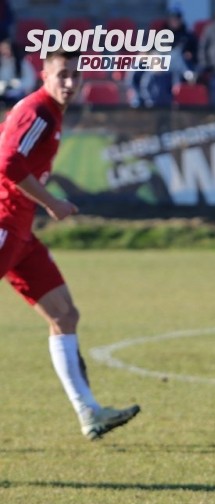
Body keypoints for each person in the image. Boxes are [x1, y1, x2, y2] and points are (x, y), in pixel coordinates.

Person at [0, 49, 140, 440]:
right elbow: (8, 162)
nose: (69, 82)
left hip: (21, 232)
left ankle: (88, 412)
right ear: (43, 75)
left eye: (75, 75)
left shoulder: (49, 113)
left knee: (64, 314)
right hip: (4, 223)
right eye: (61, 74)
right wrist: (52, 202)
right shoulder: (39, 111)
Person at [0, 38, 35, 104]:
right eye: (2, 49)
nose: (5, 51)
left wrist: (16, 85)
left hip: (18, 96)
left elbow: (30, 81)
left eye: (7, 48)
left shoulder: (22, 63)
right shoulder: (2, 63)